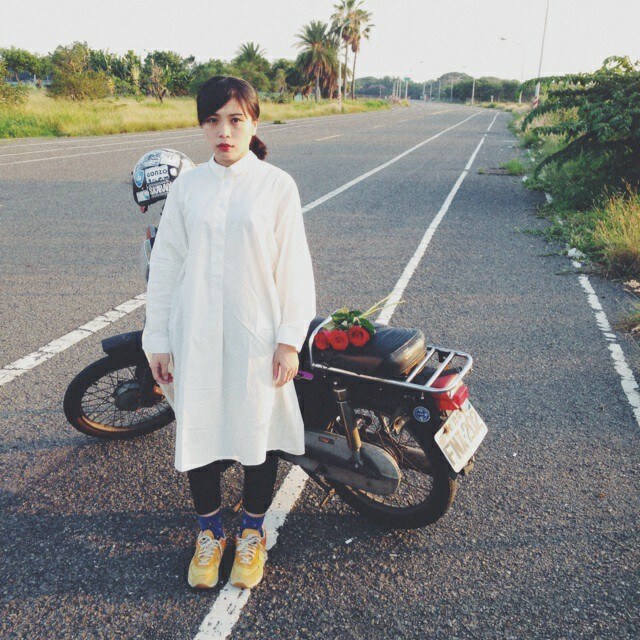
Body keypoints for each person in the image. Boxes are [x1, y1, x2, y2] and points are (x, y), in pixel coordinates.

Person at [141, 76, 317, 590]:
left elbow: (294, 268)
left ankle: (252, 534)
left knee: (257, 433)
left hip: (255, 336)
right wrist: (158, 338)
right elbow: (166, 265)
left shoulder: (276, 186)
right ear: (201, 125)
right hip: (194, 332)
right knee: (201, 431)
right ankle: (210, 534)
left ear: (253, 122)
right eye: (213, 120)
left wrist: (289, 339)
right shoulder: (187, 188)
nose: (224, 131)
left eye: (235, 119)